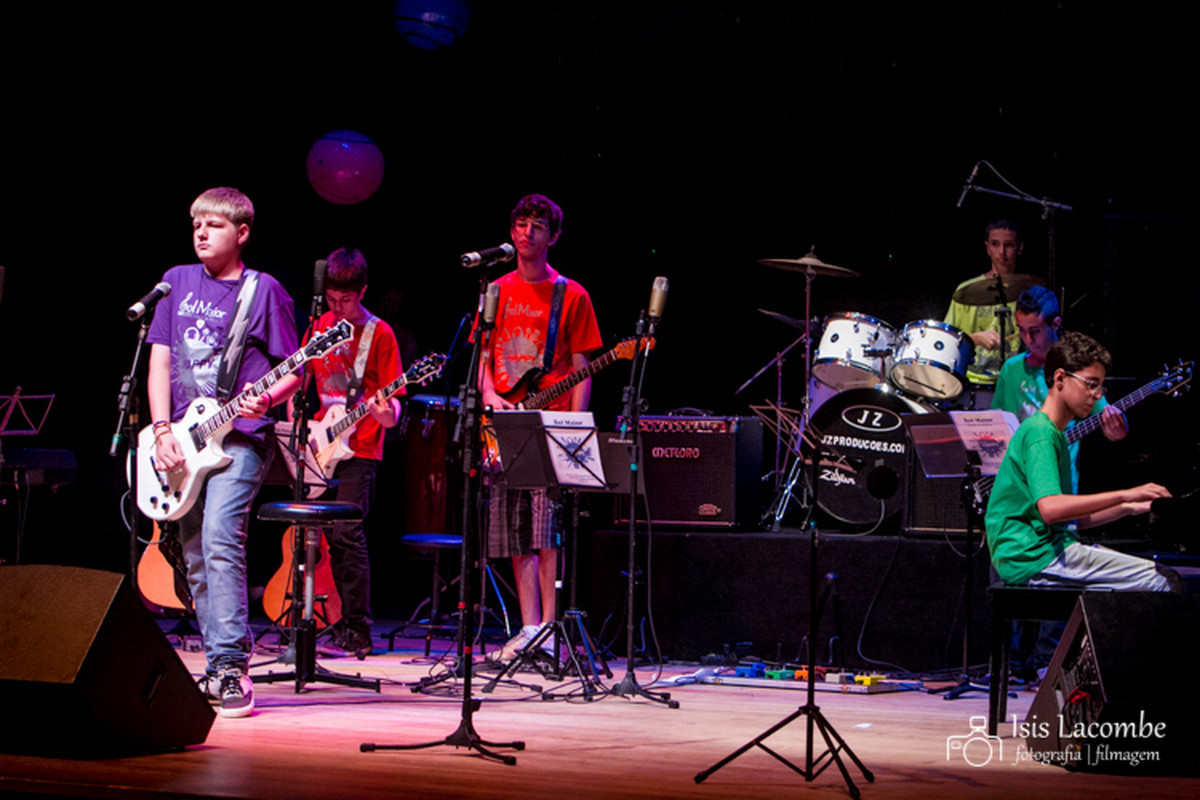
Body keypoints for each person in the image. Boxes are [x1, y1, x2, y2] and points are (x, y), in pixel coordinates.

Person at [148, 187, 300, 717]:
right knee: (192, 554)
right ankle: (215, 667)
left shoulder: (264, 292)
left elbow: (295, 369)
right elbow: (161, 363)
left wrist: (266, 401)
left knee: (218, 538)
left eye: (214, 224)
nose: (201, 233)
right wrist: (161, 429)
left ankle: (234, 668)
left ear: (242, 233)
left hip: (241, 440)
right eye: (196, 224)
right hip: (183, 443)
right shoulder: (175, 282)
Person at [479, 193, 603, 662]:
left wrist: (571, 426)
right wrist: (490, 400)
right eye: (520, 223)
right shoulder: (495, 290)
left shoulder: (571, 294)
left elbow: (581, 366)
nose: (527, 232)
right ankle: (528, 627)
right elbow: (484, 357)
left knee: (546, 529)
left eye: (537, 225)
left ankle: (551, 630)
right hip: (502, 422)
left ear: (553, 236)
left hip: (549, 423)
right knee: (513, 531)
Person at [985, 331, 1178, 592]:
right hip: (1032, 556)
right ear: (1060, 378)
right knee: (1162, 581)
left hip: (1040, 551)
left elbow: (1073, 520)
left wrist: (1131, 506)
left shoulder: (1054, 434)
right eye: (1090, 384)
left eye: (1100, 386)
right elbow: (1052, 509)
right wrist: (1126, 494)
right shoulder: (1040, 433)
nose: (1098, 395)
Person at [304, 247, 403, 657]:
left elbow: (395, 403)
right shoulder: (319, 326)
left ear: (362, 292)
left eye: (346, 300)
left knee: (347, 533)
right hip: (319, 444)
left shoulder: (379, 334)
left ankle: (358, 628)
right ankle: (316, 619)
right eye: (331, 299)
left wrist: (385, 415)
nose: (338, 307)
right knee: (315, 534)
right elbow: (301, 377)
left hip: (360, 448)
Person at [992, 285, 1127, 492]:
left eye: (1035, 331)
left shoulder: (1075, 369)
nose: (1027, 339)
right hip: (1018, 481)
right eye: (1022, 330)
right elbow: (996, 426)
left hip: (1058, 481)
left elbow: (1106, 415)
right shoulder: (1011, 369)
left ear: (1055, 325)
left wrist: (1117, 428)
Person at [945, 220, 1028, 390]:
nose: (1002, 252)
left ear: (1020, 248)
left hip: (1016, 383)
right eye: (995, 244)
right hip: (971, 382)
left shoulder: (1029, 294)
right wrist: (975, 339)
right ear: (987, 248)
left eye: (1009, 245)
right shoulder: (966, 291)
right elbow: (946, 343)